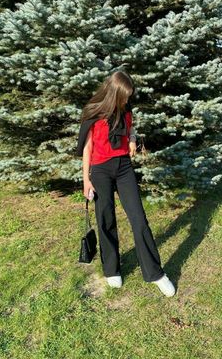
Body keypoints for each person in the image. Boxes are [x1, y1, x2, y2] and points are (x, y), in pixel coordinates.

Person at [78, 70, 176, 297]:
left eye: (129, 96)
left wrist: (131, 139)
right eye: (124, 96)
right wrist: (86, 180)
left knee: (139, 219)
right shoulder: (94, 112)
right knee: (106, 219)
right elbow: (87, 149)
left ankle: (155, 273)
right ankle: (112, 269)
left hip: (123, 167)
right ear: (114, 93)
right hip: (100, 170)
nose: (127, 100)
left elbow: (130, 127)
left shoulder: (126, 108)